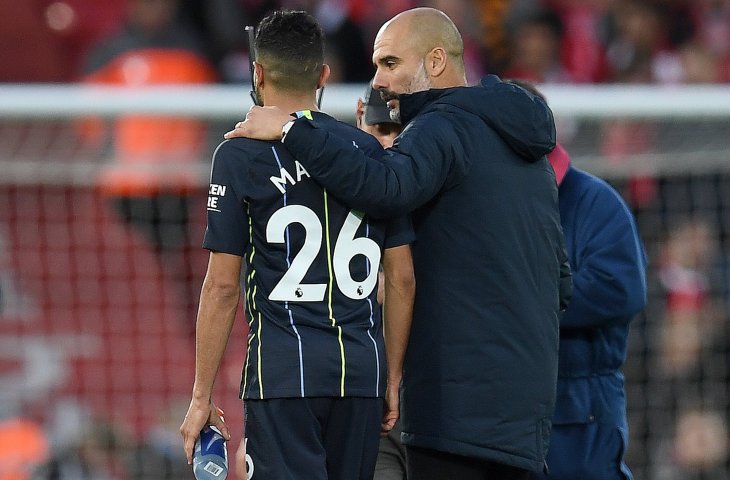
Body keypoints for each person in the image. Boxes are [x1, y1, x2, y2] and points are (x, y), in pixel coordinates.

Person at [226, 7, 571, 479]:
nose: (378, 80)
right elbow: (561, 279)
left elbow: (385, 189)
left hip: (457, 405)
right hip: (523, 412)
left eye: (389, 63)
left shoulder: (444, 125)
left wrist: (291, 128)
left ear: (434, 61)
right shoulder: (528, 153)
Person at [178, 10, 416, 480]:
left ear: (258, 73)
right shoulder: (372, 153)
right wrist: (392, 377)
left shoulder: (239, 154)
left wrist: (202, 397)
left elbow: (222, 288)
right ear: (324, 76)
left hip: (284, 374)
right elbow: (403, 277)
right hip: (360, 373)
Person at [507, 80, 647, 480]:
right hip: (501, 411)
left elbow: (619, 290)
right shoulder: (486, 204)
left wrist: (515, 302)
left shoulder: (593, 202)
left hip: (579, 411)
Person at [356, 81, 407, 480]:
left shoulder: (436, 199)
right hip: (366, 403)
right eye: (380, 130)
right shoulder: (330, 200)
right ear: (360, 117)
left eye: (397, 133)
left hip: (431, 399)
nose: (388, 145)